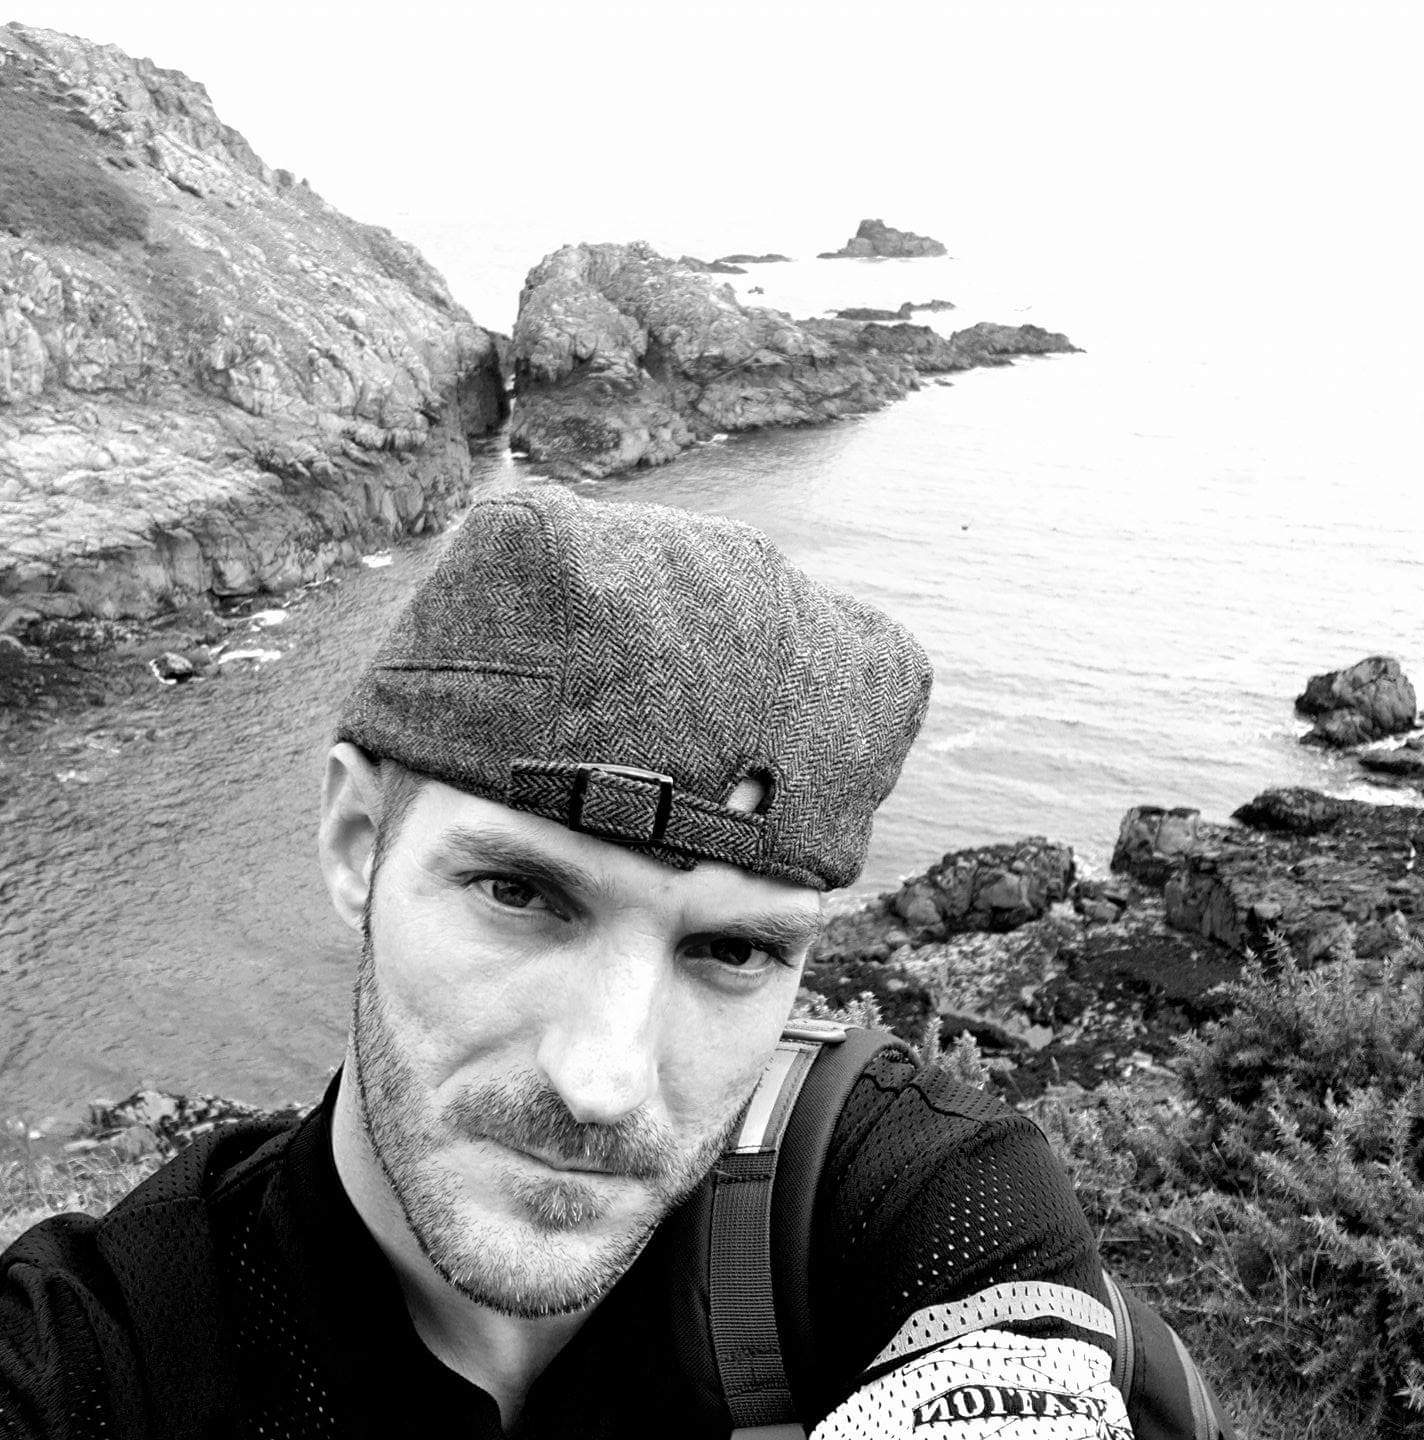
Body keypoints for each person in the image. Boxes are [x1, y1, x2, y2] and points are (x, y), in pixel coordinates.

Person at [0, 488, 1135, 1438]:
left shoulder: (907, 1203)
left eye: (733, 949)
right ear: (355, 842)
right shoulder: (91, 1358)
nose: (602, 1081)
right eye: (521, 894)